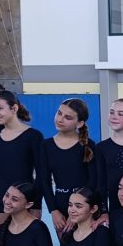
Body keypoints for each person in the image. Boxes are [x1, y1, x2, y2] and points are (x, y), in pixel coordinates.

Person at [0, 90, 43, 229]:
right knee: (1, 242)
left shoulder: (33, 136)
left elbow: (41, 174)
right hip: (0, 201)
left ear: (14, 108)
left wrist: (36, 205)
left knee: (24, 241)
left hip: (24, 201)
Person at [39, 98, 96, 238]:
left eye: (68, 117)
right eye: (59, 113)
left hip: (85, 206)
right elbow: (44, 181)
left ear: (80, 123)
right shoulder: (46, 146)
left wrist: (77, 210)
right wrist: (53, 211)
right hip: (60, 207)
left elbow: (93, 181)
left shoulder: (88, 145)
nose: (60, 119)